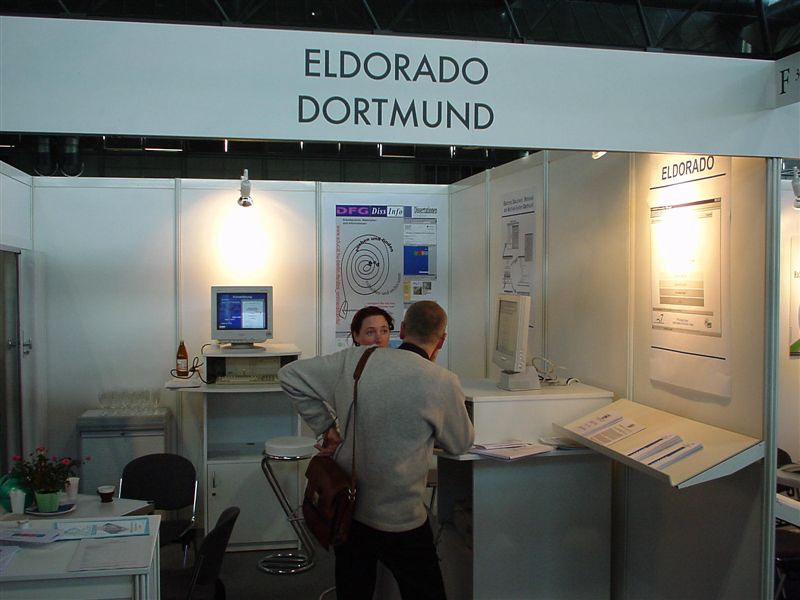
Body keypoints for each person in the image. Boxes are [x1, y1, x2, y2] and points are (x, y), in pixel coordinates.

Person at [279, 301, 474, 600]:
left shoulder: (353, 360)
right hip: (401, 517)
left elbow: (289, 375)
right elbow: (460, 444)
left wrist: (326, 427)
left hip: (350, 507)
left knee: (353, 591)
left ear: (402, 331)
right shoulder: (442, 381)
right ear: (442, 339)